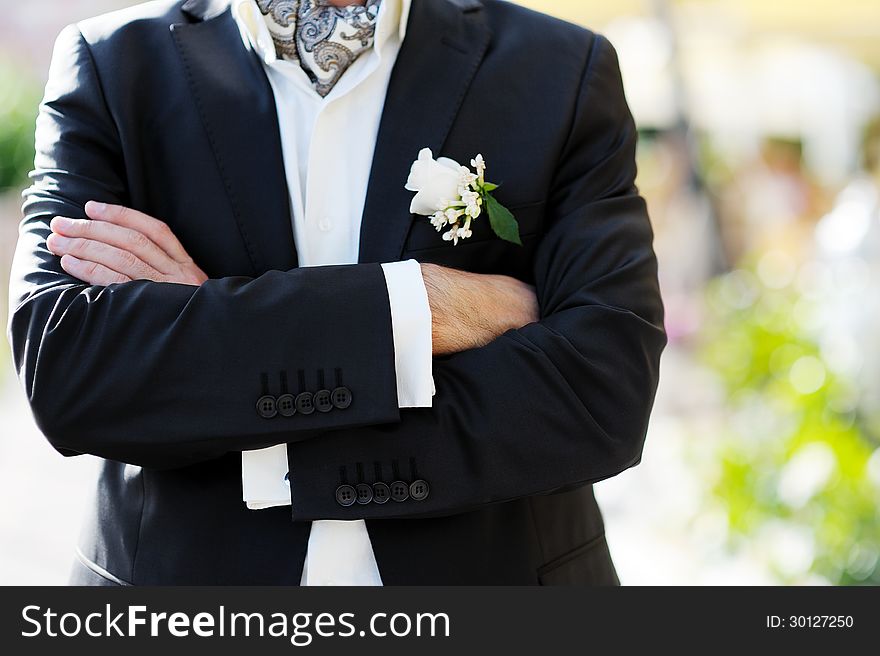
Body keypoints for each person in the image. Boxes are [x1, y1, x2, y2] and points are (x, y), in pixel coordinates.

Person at [7, 0, 665, 585]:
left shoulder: (562, 68)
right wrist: (418, 307)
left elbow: (602, 390)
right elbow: (69, 367)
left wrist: (210, 339)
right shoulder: (111, 66)